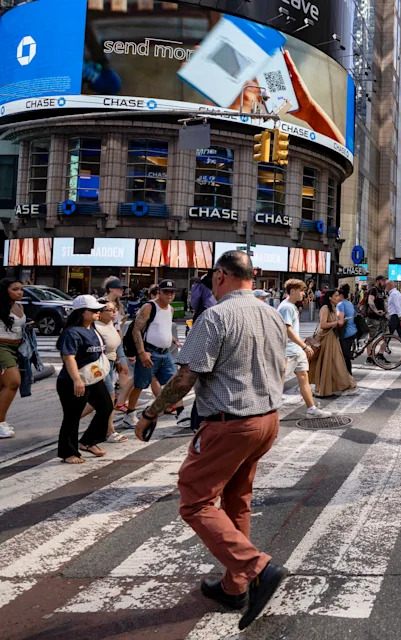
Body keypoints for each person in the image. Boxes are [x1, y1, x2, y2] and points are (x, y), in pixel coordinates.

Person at [134, 251, 288, 630]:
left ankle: (254, 567)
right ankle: (234, 585)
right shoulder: (271, 312)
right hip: (266, 420)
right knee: (237, 498)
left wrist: (150, 413)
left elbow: (186, 378)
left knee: (196, 499)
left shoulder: (215, 316)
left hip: (230, 423)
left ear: (220, 275)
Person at [57, 295, 113, 464]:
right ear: (82, 312)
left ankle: (89, 441)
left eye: (98, 310)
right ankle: (68, 452)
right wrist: (76, 380)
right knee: (72, 416)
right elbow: (69, 358)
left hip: (93, 379)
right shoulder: (72, 333)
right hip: (73, 380)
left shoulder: (92, 329)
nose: (98, 312)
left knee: (106, 406)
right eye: (93, 310)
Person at [125, 280, 182, 425]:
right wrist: (142, 352)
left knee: (174, 382)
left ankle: (181, 414)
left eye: (172, 292)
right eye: (166, 292)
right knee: (140, 384)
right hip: (150, 351)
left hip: (165, 352)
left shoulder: (170, 309)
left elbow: (164, 328)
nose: (169, 295)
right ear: (159, 292)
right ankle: (129, 414)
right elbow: (136, 330)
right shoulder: (149, 307)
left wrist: (173, 340)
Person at [278, 280, 329, 418]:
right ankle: (269, 413)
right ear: (292, 291)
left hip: (295, 350)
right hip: (287, 351)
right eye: (301, 291)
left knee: (303, 377)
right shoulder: (287, 307)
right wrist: (304, 345)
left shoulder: (291, 306)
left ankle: (311, 409)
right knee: (278, 382)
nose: (303, 294)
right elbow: (287, 330)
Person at [85, 299, 128, 443]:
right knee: (109, 399)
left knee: (101, 401)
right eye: (109, 310)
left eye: (114, 309)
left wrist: (119, 359)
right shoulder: (95, 327)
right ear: (100, 313)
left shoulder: (110, 324)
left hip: (110, 364)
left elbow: (117, 343)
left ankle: (73, 417)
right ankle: (109, 431)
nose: (113, 313)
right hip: (100, 366)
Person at [307, 290, 356, 397]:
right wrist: (337, 322)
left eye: (339, 295)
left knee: (334, 363)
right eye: (336, 296)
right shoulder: (325, 308)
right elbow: (323, 325)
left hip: (332, 338)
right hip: (325, 339)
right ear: (330, 297)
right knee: (327, 363)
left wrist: (342, 322)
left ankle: (336, 386)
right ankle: (324, 389)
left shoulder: (334, 308)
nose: (338, 297)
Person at [0, 279, 25, 439]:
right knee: (14, 382)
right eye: (15, 289)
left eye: (21, 289)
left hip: (17, 348)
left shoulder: (19, 305)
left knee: (3, 385)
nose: (20, 292)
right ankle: (0, 421)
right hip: (1, 347)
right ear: (5, 290)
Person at [365, 275, 389, 364]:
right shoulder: (373, 290)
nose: (384, 282)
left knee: (387, 334)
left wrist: (387, 312)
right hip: (373, 317)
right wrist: (376, 311)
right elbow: (370, 301)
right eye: (383, 281)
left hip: (382, 317)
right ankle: (370, 356)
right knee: (371, 336)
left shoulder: (382, 291)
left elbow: (384, 302)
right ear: (378, 281)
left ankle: (380, 354)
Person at [336, 284, 358, 375]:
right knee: (346, 355)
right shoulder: (349, 303)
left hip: (345, 333)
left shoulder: (340, 305)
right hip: (353, 331)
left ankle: (348, 375)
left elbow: (340, 320)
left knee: (344, 356)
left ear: (341, 295)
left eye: (337, 295)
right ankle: (347, 374)